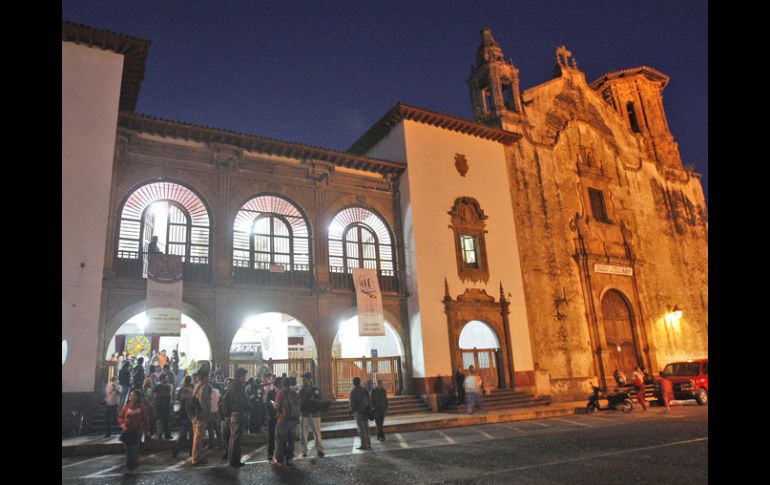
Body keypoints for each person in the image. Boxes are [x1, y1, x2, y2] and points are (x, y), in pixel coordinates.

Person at [118, 389, 149, 476]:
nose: (131, 396)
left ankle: (134, 467)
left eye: (133, 395)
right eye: (130, 394)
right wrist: (123, 423)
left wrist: (146, 430)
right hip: (127, 430)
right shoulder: (126, 406)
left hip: (137, 431)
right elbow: (120, 416)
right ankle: (129, 467)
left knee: (134, 450)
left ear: (137, 396)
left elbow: (145, 419)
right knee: (128, 451)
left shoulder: (142, 407)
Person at [272, 377, 300, 466]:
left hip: (283, 419)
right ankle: (289, 459)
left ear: (282, 384)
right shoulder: (295, 393)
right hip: (293, 420)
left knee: (279, 440)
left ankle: (279, 460)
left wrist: (272, 403)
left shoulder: (280, 393)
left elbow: (276, 406)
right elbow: (298, 404)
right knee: (291, 440)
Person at [299, 372, 325, 458]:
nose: (303, 382)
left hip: (315, 414)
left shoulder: (315, 389)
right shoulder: (301, 390)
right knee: (303, 434)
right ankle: (304, 451)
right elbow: (299, 401)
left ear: (309, 380)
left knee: (317, 433)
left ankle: (320, 450)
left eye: (304, 380)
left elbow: (320, 399)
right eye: (302, 380)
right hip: (305, 414)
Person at [227, 368, 250, 467]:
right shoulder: (238, 386)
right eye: (244, 376)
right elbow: (241, 401)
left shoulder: (231, 385)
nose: (245, 378)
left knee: (233, 437)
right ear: (240, 376)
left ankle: (231, 459)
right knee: (236, 438)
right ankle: (234, 461)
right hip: (238, 413)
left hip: (233, 413)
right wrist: (248, 407)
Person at [191, 369, 212, 465]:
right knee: (199, 436)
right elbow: (203, 402)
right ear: (204, 377)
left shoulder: (197, 385)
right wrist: (206, 415)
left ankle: (198, 456)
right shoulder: (204, 387)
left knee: (198, 436)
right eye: (208, 376)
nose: (209, 378)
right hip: (201, 414)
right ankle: (196, 458)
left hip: (195, 414)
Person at [172, 376, 194, 458]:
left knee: (182, 434)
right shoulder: (192, 388)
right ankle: (192, 452)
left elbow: (177, 398)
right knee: (191, 434)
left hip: (183, 413)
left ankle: (176, 450)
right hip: (191, 413)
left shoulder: (181, 389)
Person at [349, 376, 372, 451]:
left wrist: (351, 410)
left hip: (358, 412)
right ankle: (368, 443)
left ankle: (364, 444)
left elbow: (352, 403)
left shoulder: (353, 391)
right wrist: (369, 409)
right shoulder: (364, 390)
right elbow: (369, 400)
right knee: (366, 428)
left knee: (361, 429)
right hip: (365, 411)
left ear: (354, 382)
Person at [153, 374, 174, 439]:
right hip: (160, 405)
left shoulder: (168, 386)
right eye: (165, 378)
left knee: (165, 421)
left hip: (164, 405)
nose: (166, 380)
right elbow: (155, 394)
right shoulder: (159, 386)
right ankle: (160, 434)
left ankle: (165, 434)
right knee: (160, 421)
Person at [265, 376, 280, 461]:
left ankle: (281, 452)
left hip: (280, 417)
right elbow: (268, 403)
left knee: (281, 436)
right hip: (273, 416)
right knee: (272, 435)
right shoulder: (271, 393)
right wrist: (272, 405)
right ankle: (270, 453)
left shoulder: (282, 393)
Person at [208, 382, 221, 448]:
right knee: (218, 428)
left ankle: (212, 444)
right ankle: (221, 443)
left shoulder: (207, 392)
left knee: (211, 429)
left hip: (210, 412)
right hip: (217, 411)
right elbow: (220, 399)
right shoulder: (217, 391)